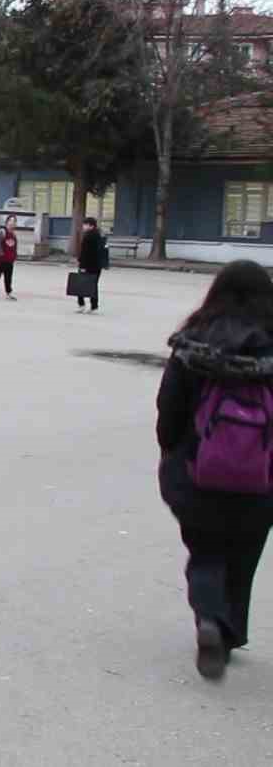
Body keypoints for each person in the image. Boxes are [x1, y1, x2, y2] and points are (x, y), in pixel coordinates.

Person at [156, 261, 273, 680]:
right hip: (263, 475)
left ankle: (209, 616)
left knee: (205, 549)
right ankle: (230, 630)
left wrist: (172, 452)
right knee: (243, 555)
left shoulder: (193, 342)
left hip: (198, 466)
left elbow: (169, 408)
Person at [76, 216, 106, 314]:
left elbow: (85, 252)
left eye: (85, 224)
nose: (83, 226)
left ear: (90, 225)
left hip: (87, 265)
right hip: (97, 265)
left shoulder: (88, 236)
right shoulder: (100, 235)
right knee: (93, 286)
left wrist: (81, 264)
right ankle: (94, 306)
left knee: (80, 284)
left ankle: (81, 304)